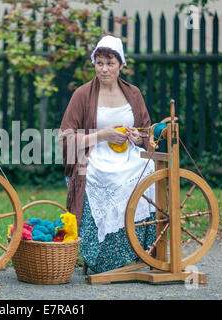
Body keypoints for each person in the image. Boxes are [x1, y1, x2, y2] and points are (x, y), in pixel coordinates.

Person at [59, 35, 156, 274]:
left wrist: (137, 136)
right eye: (99, 63)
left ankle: (138, 252)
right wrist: (101, 135)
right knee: (108, 178)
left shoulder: (133, 94)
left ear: (121, 65)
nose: (104, 69)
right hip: (95, 158)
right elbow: (65, 138)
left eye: (110, 63)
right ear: (94, 64)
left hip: (130, 157)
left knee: (149, 171)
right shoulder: (82, 95)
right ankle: (103, 259)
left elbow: (147, 133)